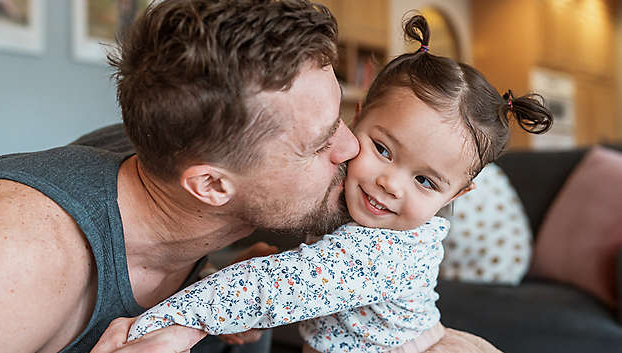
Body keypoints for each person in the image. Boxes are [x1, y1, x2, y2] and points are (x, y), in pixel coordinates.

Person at [125, 14, 552, 353]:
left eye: (424, 180)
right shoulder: (343, 190)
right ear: (356, 119)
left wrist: (169, 324)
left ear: (456, 195)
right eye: (383, 149)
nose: (389, 184)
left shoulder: (386, 250)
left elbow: (274, 288)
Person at [0, 0, 358, 352]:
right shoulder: (20, 257)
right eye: (319, 145)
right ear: (211, 186)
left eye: (340, 120)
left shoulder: (175, 154)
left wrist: (211, 280)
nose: (352, 147)